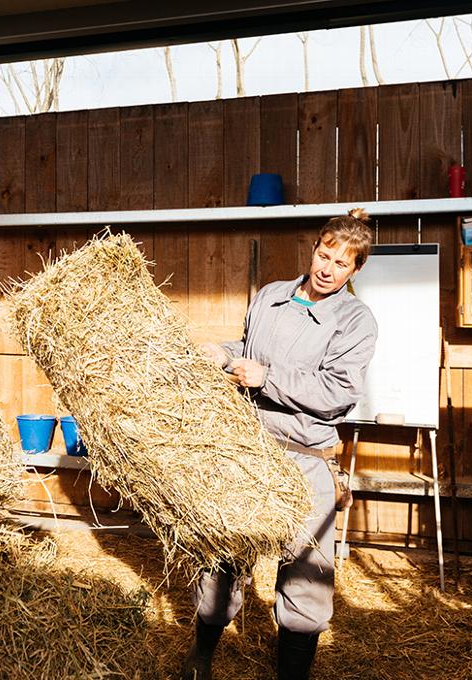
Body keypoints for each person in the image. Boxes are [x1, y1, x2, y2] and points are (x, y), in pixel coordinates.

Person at [181, 208, 378, 680]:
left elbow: (338, 393)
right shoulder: (271, 295)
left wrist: (267, 378)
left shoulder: (355, 321)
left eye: (342, 264)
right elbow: (249, 346)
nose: (327, 269)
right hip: (246, 453)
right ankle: (201, 654)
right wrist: (224, 353)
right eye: (324, 254)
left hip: (305, 460)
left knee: (306, 574)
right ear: (314, 247)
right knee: (222, 555)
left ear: (356, 270)